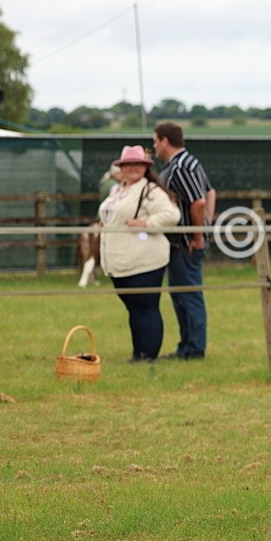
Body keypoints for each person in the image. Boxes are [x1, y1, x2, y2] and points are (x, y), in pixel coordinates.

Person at [97, 145, 181, 362]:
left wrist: (146, 223)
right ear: (121, 168)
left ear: (145, 167)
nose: (133, 168)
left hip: (145, 259)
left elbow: (171, 215)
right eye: (129, 164)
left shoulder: (150, 191)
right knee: (134, 308)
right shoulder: (118, 190)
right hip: (121, 259)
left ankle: (148, 356)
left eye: (138, 164)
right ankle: (139, 353)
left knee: (146, 307)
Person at [153, 122, 215, 360]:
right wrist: (206, 224)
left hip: (186, 244)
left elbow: (198, 202)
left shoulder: (181, 167)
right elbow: (210, 193)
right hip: (181, 244)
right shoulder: (188, 162)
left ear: (165, 141)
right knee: (180, 296)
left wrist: (199, 234)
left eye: (156, 141)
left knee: (189, 296)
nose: (154, 146)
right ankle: (186, 346)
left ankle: (194, 349)